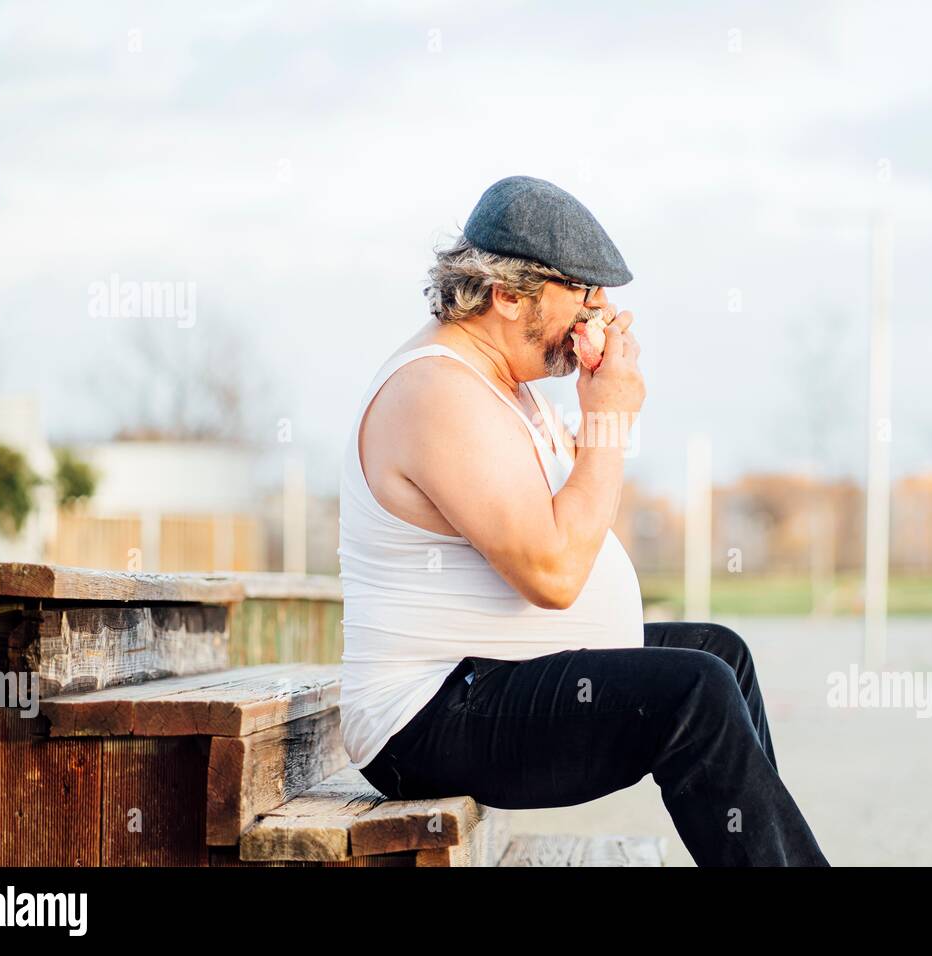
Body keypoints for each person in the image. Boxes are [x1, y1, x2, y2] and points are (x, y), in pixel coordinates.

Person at [338, 175, 829, 866]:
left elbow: (579, 523)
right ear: (508, 295)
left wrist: (599, 406)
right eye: (583, 293)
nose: (600, 312)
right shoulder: (438, 392)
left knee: (719, 653)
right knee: (697, 691)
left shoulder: (504, 384)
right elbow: (555, 573)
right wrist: (607, 420)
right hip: (425, 718)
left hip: (487, 677)